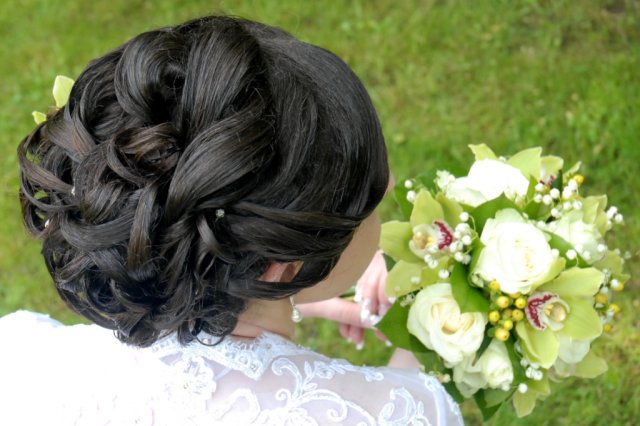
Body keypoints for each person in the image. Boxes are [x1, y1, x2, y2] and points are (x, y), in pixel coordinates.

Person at [1, 16, 463, 425]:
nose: (390, 183)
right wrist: (424, 341)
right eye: (371, 198)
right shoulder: (402, 412)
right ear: (282, 266)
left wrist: (273, 298)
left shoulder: (21, 361)